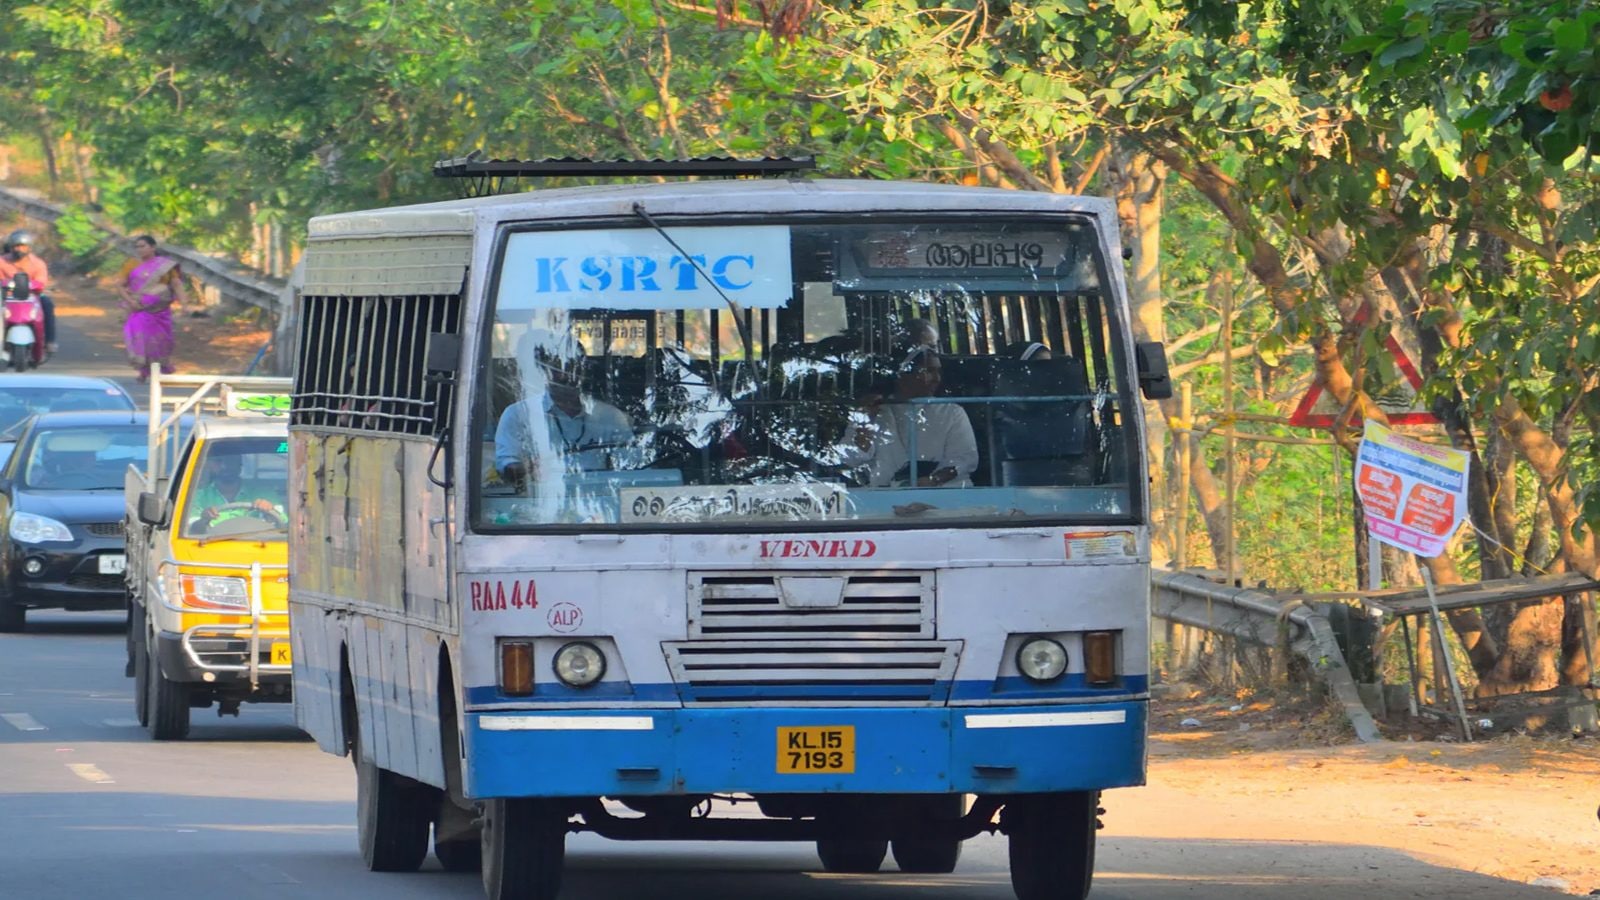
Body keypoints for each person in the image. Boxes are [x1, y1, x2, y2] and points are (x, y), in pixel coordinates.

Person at [494, 329, 635, 483]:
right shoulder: (518, 414)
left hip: (600, 499)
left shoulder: (610, 416)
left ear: (583, 370)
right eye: (559, 367)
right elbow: (506, 465)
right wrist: (526, 468)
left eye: (573, 367)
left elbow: (632, 464)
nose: (567, 375)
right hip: (542, 500)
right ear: (544, 371)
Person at [839, 345, 978, 487]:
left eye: (938, 372)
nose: (936, 378)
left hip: (945, 497)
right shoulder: (872, 411)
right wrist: (866, 426)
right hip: (885, 499)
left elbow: (965, 459)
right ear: (903, 374)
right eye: (928, 371)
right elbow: (849, 459)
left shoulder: (951, 412)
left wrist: (933, 480)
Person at [117, 235, 187, 383]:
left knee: (161, 341)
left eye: (143, 246)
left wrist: (184, 305)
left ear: (153, 247)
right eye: (137, 247)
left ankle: (161, 369)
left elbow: (176, 285)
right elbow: (120, 285)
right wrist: (130, 301)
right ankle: (143, 369)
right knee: (141, 338)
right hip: (139, 310)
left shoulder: (165, 266)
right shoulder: (131, 264)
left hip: (161, 311)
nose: (140, 249)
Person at [188, 453, 285, 531]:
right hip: (210, 549)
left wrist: (269, 511)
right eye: (218, 461)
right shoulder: (197, 496)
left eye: (230, 460)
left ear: (240, 464)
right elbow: (190, 530)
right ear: (208, 464)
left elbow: (284, 525)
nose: (224, 466)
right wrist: (204, 520)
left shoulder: (264, 492)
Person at [0, 230, 58, 355]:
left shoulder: (38, 263)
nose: (20, 249)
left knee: (47, 304)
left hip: (32, 296)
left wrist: (34, 285)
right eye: (17, 246)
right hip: (5, 297)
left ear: (29, 248)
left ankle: (49, 342)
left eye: (24, 246)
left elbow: (41, 282)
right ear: (11, 247)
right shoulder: (2, 262)